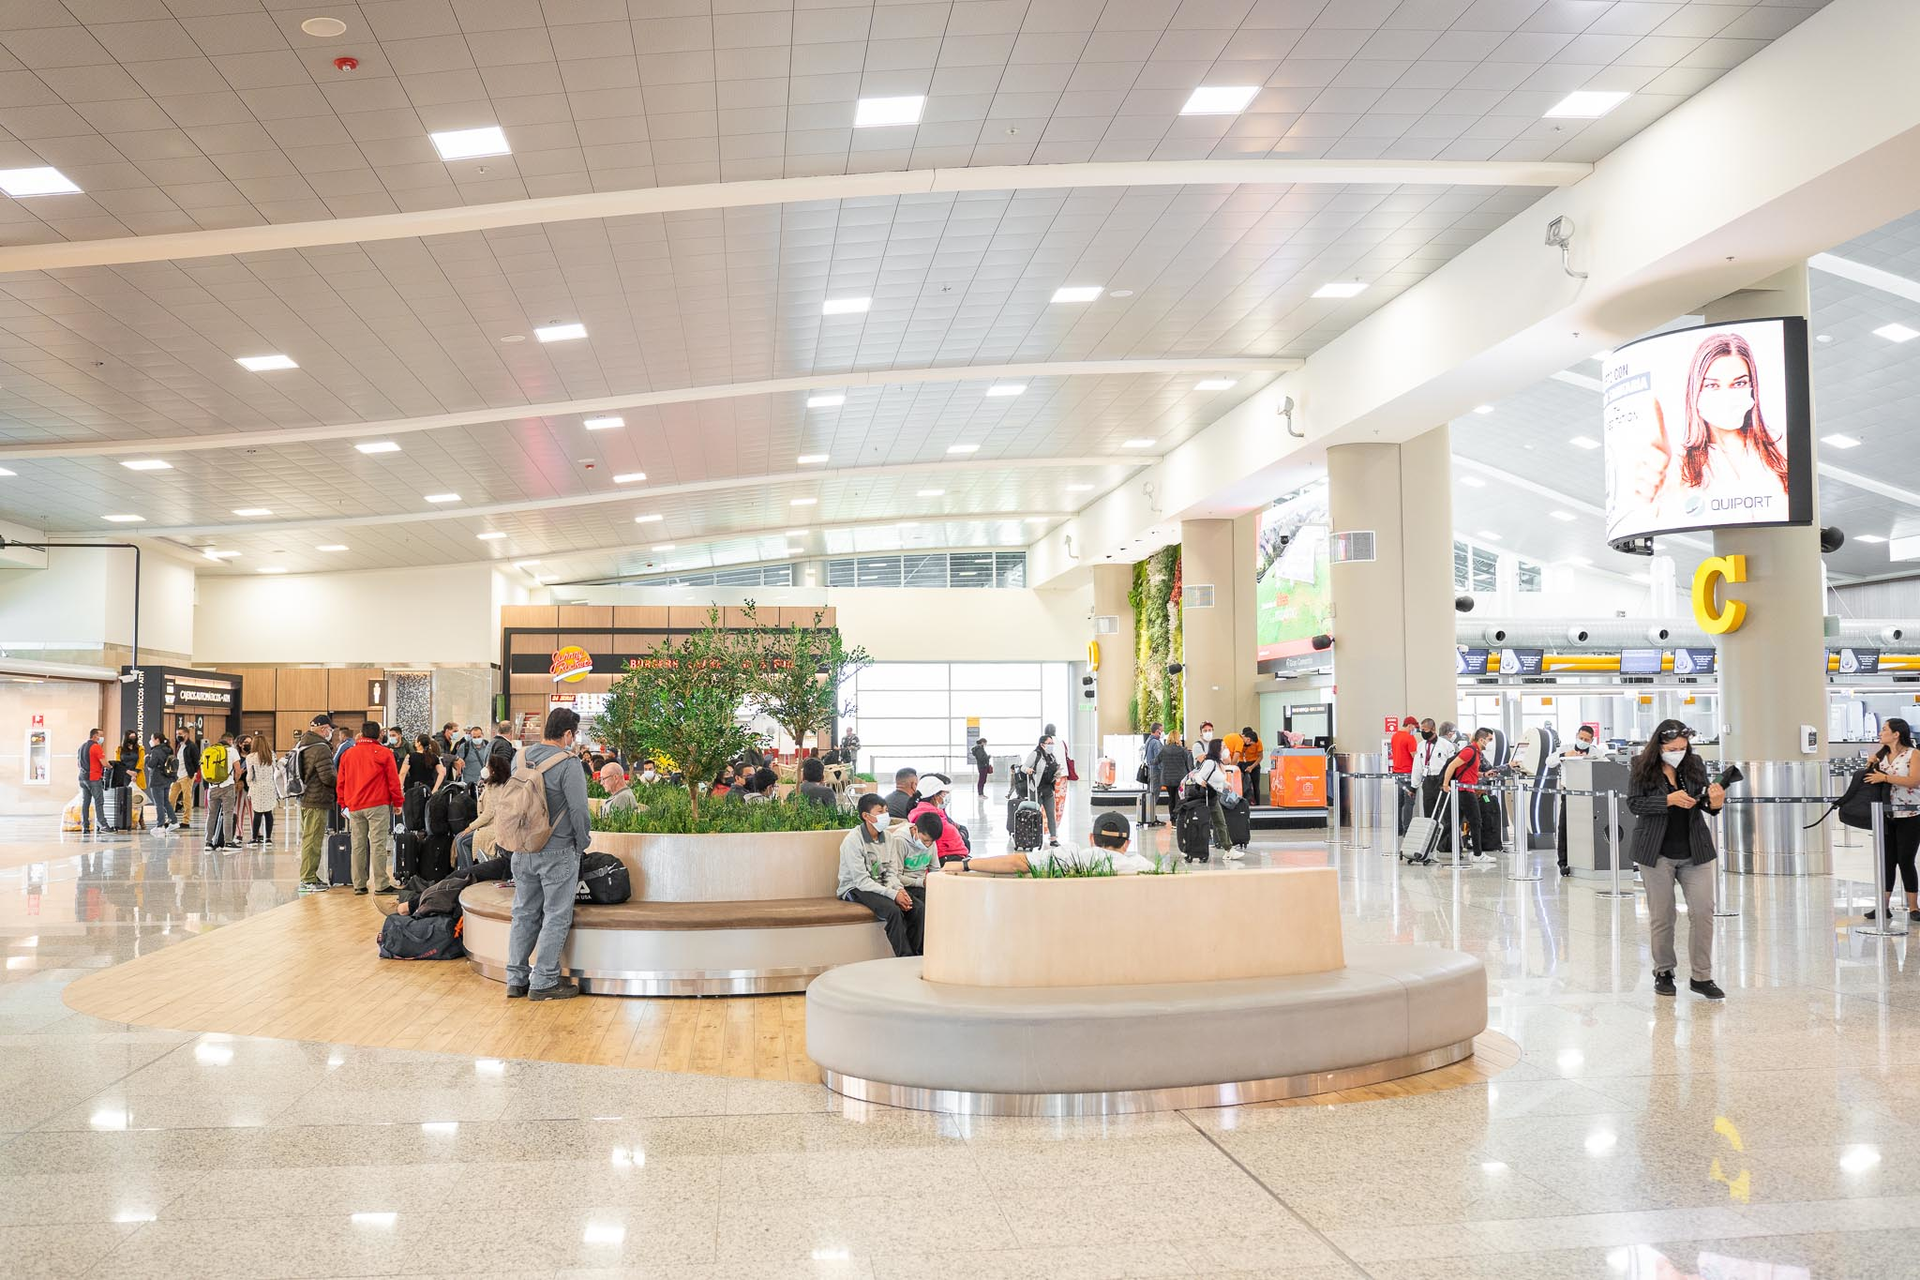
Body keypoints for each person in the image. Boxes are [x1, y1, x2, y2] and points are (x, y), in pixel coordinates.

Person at [1627, 721, 1726, 1000]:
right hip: (1656, 852)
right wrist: (1668, 800)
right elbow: (1634, 803)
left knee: (1703, 912)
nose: (1678, 753)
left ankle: (1702, 976)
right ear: (1658, 746)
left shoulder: (1694, 763)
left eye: (1682, 747)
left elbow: (1704, 802)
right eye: (1672, 749)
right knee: (1663, 915)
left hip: (1695, 850)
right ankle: (1664, 971)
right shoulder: (1641, 766)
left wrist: (1715, 802)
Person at [504, 706, 592, 1002]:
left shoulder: (520, 758)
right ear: (567, 734)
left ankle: (515, 979)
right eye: (573, 734)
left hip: (522, 849)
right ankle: (543, 981)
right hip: (557, 850)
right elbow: (579, 810)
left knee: (523, 912)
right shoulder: (569, 763)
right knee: (556, 915)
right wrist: (582, 842)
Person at [836, 794, 927, 957]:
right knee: (893, 911)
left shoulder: (889, 838)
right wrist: (893, 895)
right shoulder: (853, 841)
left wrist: (899, 890)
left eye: (886, 810)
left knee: (917, 908)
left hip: (881, 884)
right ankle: (904, 957)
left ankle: (915, 956)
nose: (886, 815)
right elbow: (862, 881)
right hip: (855, 888)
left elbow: (891, 872)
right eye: (880, 811)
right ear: (866, 816)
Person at [946, 810, 1155, 876]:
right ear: (1127, 843)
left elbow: (1017, 863)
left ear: (1092, 839)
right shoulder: (1142, 867)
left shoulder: (1072, 857)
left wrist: (966, 864)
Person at [1862, 718, 1920, 923]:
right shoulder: (1880, 756)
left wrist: (1885, 778)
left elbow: (1915, 781)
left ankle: (1914, 907)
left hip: (1910, 815)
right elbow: (1870, 781)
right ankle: (1883, 906)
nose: (1880, 733)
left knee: (1905, 860)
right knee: (1887, 861)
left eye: (1884, 729)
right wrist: (1870, 765)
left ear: (1896, 734)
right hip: (1885, 815)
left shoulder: (1914, 754)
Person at [336, 721, 403, 896]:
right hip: (377, 804)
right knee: (378, 844)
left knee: (358, 845)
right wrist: (398, 802)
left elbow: (341, 782)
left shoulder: (348, 754)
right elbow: (393, 780)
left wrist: (343, 804)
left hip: (355, 805)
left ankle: (359, 884)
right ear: (379, 734)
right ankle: (381, 884)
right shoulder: (384, 753)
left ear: (362, 733)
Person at [1552, 725, 1606, 876]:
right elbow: (1549, 761)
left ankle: (1586, 861)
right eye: (1581, 738)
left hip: (1589, 793)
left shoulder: (1596, 752)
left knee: (1587, 828)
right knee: (1564, 827)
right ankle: (1563, 862)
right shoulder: (1566, 748)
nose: (1583, 741)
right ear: (1576, 735)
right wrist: (1564, 755)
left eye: (1586, 740)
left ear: (1591, 740)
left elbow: (1606, 764)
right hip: (1569, 793)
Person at [294, 715, 338, 894]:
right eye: (330, 729)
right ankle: (308, 879)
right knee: (312, 840)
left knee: (308, 838)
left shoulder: (303, 743)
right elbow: (327, 777)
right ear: (323, 728)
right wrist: (341, 782)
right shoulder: (320, 748)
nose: (331, 733)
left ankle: (309, 876)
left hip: (305, 798)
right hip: (317, 799)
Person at [1439, 727, 1493, 860]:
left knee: (1453, 824)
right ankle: (1478, 854)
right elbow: (1452, 765)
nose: (1490, 742)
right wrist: (1445, 784)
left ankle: (1431, 849)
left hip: (1463, 791)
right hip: (1465, 792)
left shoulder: (1476, 752)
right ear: (1482, 740)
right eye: (1489, 739)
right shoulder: (1470, 751)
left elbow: (1470, 771)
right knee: (1476, 821)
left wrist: (1484, 774)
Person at [1185, 737, 1235, 858]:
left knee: (1219, 823)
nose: (1226, 749)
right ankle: (1228, 850)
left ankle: (1228, 849)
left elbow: (1215, 778)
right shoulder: (1210, 762)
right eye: (1223, 747)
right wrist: (1201, 781)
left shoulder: (1217, 763)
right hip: (1208, 796)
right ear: (1217, 749)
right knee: (1218, 823)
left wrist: (1226, 784)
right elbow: (1198, 775)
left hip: (1213, 795)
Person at [908, 774, 969, 864]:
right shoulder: (933, 821)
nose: (945, 798)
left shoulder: (916, 813)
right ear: (935, 797)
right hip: (945, 863)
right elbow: (964, 846)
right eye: (944, 794)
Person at [197, 732, 239, 851]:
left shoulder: (210, 751)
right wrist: (235, 780)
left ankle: (208, 842)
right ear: (229, 742)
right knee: (227, 814)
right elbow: (238, 770)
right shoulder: (232, 751)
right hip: (227, 786)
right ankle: (228, 842)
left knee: (211, 815)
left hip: (212, 787)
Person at [1413, 719, 1456, 827]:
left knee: (1445, 813)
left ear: (1433, 729)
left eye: (1425, 730)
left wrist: (1448, 782)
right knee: (1429, 813)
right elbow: (1417, 766)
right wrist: (1414, 786)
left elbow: (1452, 765)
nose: (1422, 732)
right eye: (1421, 730)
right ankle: (1430, 836)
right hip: (1428, 781)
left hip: (1441, 781)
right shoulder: (1421, 745)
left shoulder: (1446, 745)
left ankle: (1446, 837)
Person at [1023, 733, 1063, 847]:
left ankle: (1053, 838)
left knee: (1051, 814)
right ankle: (1031, 837)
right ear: (1042, 744)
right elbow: (1023, 767)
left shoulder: (1051, 756)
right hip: (1036, 789)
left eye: (1052, 743)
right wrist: (1028, 770)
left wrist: (1057, 773)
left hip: (1048, 789)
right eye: (1049, 743)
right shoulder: (1035, 754)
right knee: (1034, 814)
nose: (1051, 745)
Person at [244, 738, 282, 847]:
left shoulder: (250, 757)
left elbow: (250, 775)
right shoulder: (271, 755)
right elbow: (275, 771)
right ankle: (268, 839)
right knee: (268, 813)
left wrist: (249, 783)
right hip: (270, 786)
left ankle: (254, 838)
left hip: (257, 787)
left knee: (257, 813)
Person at [1389, 715, 1419, 836]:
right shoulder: (1410, 738)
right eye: (1414, 727)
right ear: (1410, 725)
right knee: (1409, 803)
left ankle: (1398, 829)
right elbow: (1415, 757)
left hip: (1397, 775)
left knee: (1398, 803)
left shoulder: (1394, 736)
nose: (1415, 730)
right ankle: (1407, 830)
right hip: (1408, 775)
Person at [1157, 730, 1192, 824]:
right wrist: (1189, 774)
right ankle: (1178, 817)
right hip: (1180, 778)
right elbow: (1187, 764)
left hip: (1167, 778)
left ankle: (1172, 819)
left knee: (1171, 798)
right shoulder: (1183, 750)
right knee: (1178, 798)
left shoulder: (1164, 750)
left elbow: (1157, 761)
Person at [144, 731, 177, 833]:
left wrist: (147, 759)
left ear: (157, 740)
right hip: (167, 779)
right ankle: (174, 821)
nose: (151, 741)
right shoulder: (168, 749)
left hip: (157, 780)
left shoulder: (156, 751)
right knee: (166, 801)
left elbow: (151, 764)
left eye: (152, 739)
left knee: (159, 803)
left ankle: (160, 825)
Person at [78, 728, 107, 834]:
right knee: (99, 802)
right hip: (93, 778)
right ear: (95, 736)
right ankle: (103, 825)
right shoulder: (96, 747)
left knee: (86, 802)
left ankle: (85, 826)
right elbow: (104, 763)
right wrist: (111, 766)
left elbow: (78, 764)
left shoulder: (82, 747)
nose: (102, 738)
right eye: (101, 735)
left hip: (82, 778)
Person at [1141, 723, 1165, 826]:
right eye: (1161, 731)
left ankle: (1148, 817)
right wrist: (1164, 771)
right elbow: (1159, 758)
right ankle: (1151, 818)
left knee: (1150, 795)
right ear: (1157, 731)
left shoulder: (1148, 740)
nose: (1162, 733)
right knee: (1154, 795)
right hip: (1156, 772)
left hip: (1150, 771)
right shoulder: (1156, 742)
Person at [178, 729, 201, 827]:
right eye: (177, 734)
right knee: (171, 797)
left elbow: (197, 761)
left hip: (187, 775)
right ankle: (170, 818)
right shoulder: (180, 745)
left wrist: (193, 773)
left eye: (180, 734)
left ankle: (186, 820)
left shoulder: (192, 746)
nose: (178, 735)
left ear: (186, 734)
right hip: (177, 775)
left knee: (186, 798)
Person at [1237, 726, 1263, 807]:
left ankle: (1257, 805)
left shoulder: (1257, 741)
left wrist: (1252, 767)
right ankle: (1241, 804)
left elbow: (1260, 756)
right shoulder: (1240, 741)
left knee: (1256, 786)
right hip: (1242, 762)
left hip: (1254, 763)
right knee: (1240, 784)